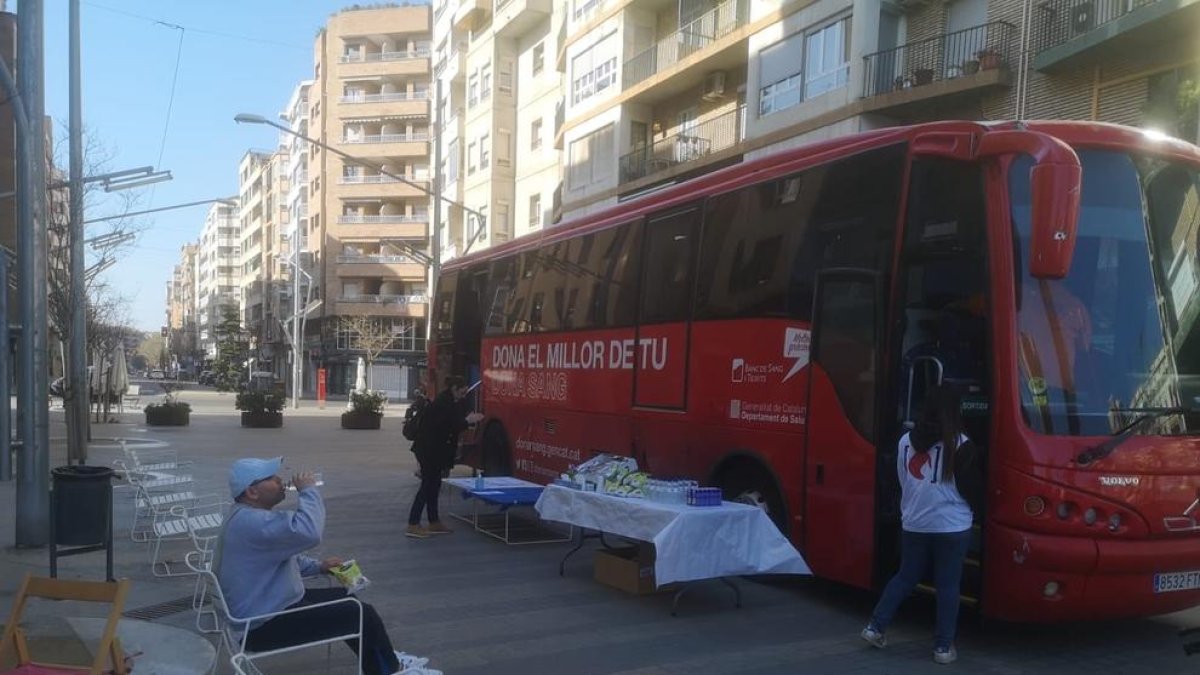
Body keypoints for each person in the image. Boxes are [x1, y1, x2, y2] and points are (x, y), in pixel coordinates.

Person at [216, 457, 426, 675]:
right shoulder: (253, 523)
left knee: (348, 599)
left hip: (264, 609)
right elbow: (310, 532)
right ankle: (390, 669)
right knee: (361, 614)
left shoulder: (245, 516)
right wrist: (308, 491)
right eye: (270, 478)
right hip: (260, 626)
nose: (280, 480)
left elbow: (285, 557)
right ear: (252, 492)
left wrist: (319, 567)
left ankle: (381, 659)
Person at [860, 384, 984, 665]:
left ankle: (875, 627)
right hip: (952, 525)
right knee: (948, 586)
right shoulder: (961, 443)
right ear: (954, 411)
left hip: (915, 521)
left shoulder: (905, 441)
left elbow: (901, 480)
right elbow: (972, 489)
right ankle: (942, 648)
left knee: (905, 577)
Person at [406, 376, 483, 538]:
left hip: (433, 451)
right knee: (428, 485)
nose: (464, 395)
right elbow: (449, 425)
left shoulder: (448, 401)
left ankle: (434, 522)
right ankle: (413, 523)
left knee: (434, 485)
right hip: (429, 451)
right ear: (454, 388)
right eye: (462, 391)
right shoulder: (443, 403)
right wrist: (467, 420)